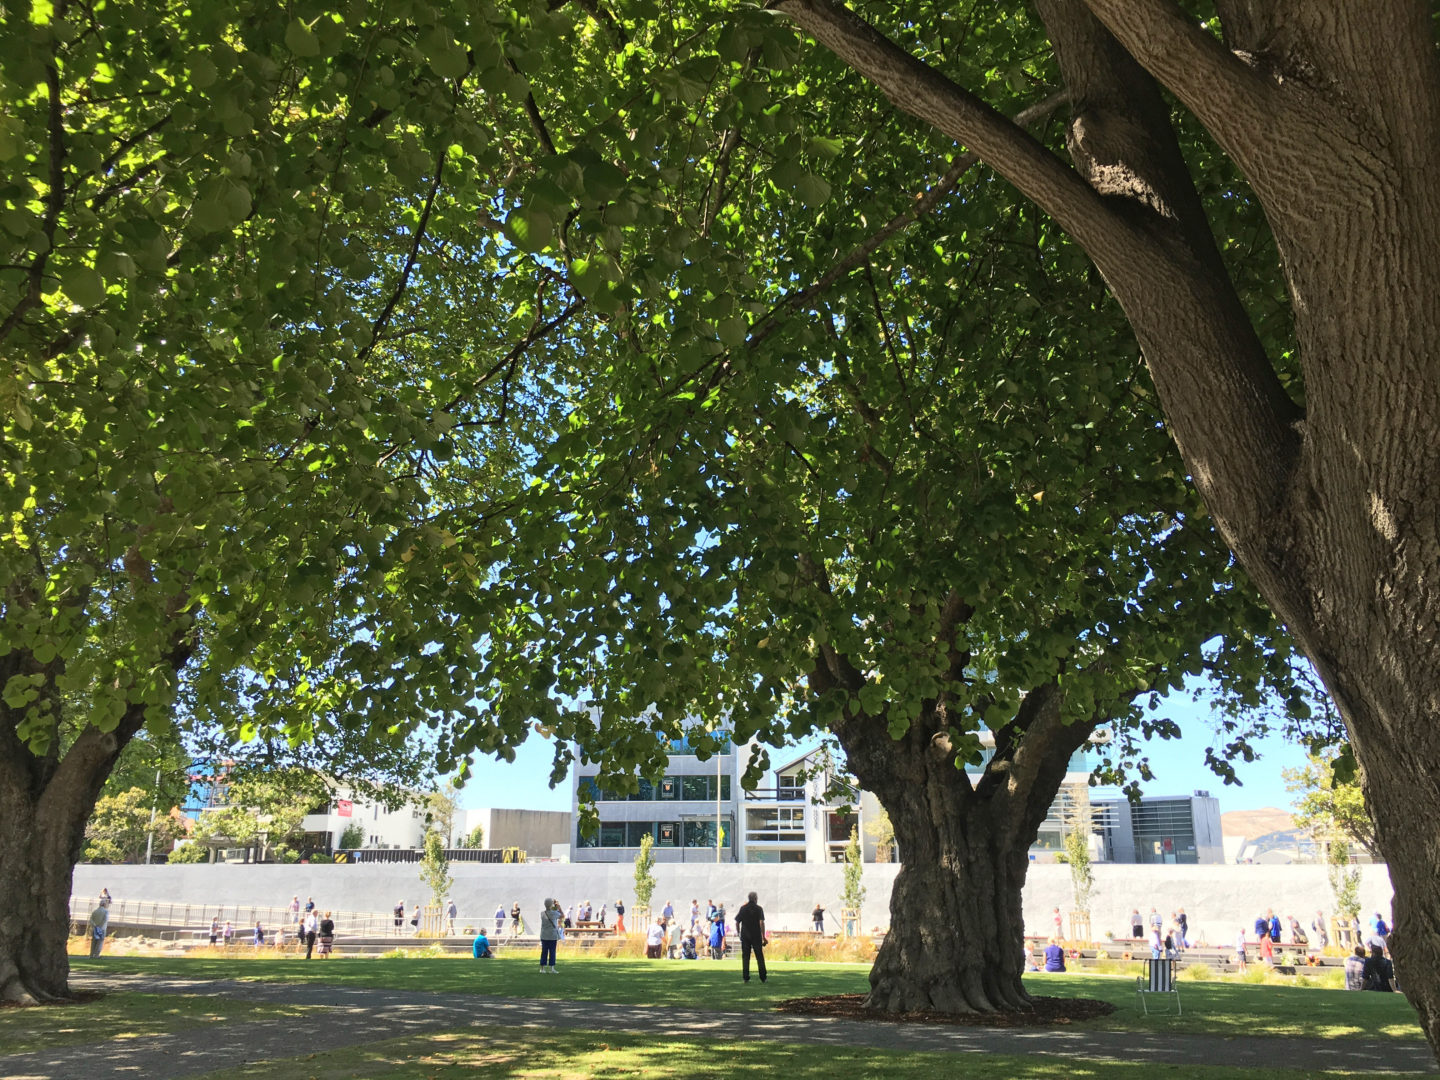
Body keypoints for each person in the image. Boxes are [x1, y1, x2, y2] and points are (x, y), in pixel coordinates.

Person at [735, 891, 768, 983]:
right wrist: (763, 937)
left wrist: (738, 933)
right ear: (755, 899)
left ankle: (746, 977)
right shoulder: (759, 909)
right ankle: (763, 977)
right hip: (756, 936)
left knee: (745, 957)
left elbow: (737, 922)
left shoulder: (743, 908)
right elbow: (761, 922)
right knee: (759, 956)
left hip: (745, 936)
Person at [539, 898, 563, 972]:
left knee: (544, 952)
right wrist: (559, 907)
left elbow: (550, 910)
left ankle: (542, 968)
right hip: (552, 935)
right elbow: (562, 915)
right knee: (552, 952)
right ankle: (552, 968)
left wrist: (554, 907)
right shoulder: (554, 913)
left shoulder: (542, 913)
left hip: (544, 935)